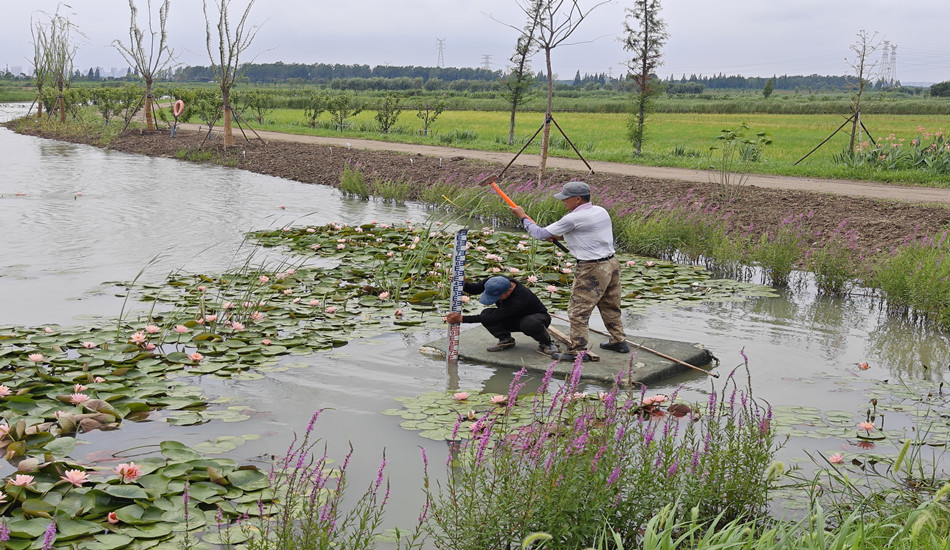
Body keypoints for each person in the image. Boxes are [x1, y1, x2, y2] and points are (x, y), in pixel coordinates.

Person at [511, 180, 629, 362]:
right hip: (611, 264)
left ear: (577, 199)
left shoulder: (573, 218)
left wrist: (523, 217)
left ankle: (577, 352)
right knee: (610, 305)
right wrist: (559, 235)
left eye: (566, 199)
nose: (563, 202)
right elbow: (587, 233)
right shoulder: (600, 211)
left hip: (592, 268)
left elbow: (540, 233)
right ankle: (619, 341)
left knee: (578, 311)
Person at [444, 275, 559, 356]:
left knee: (529, 323)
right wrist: (463, 284)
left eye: (497, 297)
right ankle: (506, 339)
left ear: (508, 291)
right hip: (511, 318)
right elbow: (476, 289)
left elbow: (496, 316)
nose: (495, 300)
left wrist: (462, 319)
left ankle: (546, 342)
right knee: (486, 313)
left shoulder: (520, 298)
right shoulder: (495, 281)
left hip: (537, 318)